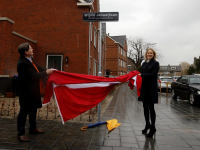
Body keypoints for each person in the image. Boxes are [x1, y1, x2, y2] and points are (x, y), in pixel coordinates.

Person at [17, 43, 54, 142]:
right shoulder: (22, 63)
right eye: (30, 48)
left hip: (33, 90)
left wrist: (48, 70)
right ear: (26, 52)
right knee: (23, 112)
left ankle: (33, 128)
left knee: (33, 110)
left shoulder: (30, 59)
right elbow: (33, 76)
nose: (32, 49)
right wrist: (47, 73)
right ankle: (21, 133)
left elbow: (38, 68)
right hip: (26, 92)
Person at [138, 48, 159, 138]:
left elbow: (153, 75)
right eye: (148, 53)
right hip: (144, 89)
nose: (149, 54)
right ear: (146, 54)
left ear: (153, 54)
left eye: (151, 53)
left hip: (151, 89)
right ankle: (147, 125)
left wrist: (141, 75)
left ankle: (153, 127)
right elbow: (141, 74)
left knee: (151, 108)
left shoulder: (156, 64)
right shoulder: (143, 64)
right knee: (145, 108)